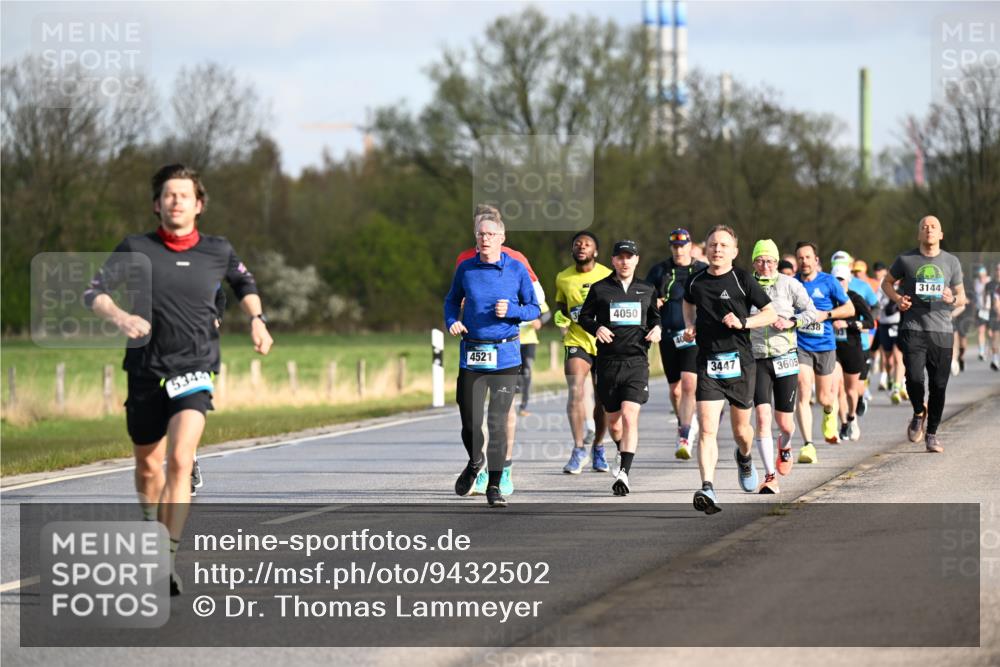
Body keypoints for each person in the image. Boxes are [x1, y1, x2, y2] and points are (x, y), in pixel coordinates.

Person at [85, 164, 273, 595]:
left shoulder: (218, 249)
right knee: (149, 465)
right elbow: (94, 292)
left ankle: (166, 560)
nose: (176, 201)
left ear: (198, 204)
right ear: (157, 204)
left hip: (195, 367)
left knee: (182, 460)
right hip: (146, 371)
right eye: (168, 195)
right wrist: (119, 315)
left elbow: (244, 283)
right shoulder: (135, 248)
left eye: (183, 195)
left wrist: (258, 320)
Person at [445, 209, 540, 507]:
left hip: (506, 354)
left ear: (502, 238)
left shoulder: (516, 270)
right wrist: (452, 321)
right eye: (480, 234)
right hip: (472, 353)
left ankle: (495, 487)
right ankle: (476, 462)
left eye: (490, 234)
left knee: (497, 422)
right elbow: (450, 300)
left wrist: (513, 312)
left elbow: (534, 308)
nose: (485, 239)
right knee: (470, 421)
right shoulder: (466, 269)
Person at [682, 226, 777, 514]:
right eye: (712, 244)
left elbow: (771, 313)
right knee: (707, 430)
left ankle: (745, 457)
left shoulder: (743, 280)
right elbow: (688, 302)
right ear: (706, 248)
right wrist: (690, 325)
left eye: (723, 245)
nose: (717, 249)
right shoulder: (695, 281)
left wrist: (744, 323)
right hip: (708, 363)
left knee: (741, 431)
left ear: (734, 252)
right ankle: (708, 486)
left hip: (740, 364)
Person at [578, 240, 661, 495]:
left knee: (629, 415)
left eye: (630, 257)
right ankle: (620, 449)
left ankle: (624, 473)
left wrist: (657, 329)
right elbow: (584, 316)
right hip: (607, 363)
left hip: (636, 361)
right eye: (620, 257)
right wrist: (596, 328)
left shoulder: (647, 289)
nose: (625, 262)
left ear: (637, 260)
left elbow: (656, 318)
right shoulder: (601, 289)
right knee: (614, 423)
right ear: (613, 261)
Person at [882, 215, 966, 453]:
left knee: (939, 386)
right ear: (919, 234)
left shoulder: (951, 262)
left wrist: (953, 299)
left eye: (933, 227)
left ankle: (932, 434)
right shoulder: (905, 260)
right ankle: (919, 411)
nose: (928, 230)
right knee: (915, 378)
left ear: (941, 235)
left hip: (941, 331)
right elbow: (886, 283)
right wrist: (898, 299)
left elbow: (962, 297)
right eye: (924, 227)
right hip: (912, 328)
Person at [749, 240, 818, 492]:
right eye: (760, 260)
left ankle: (785, 446)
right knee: (762, 416)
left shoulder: (789, 284)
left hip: (785, 357)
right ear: (753, 262)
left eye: (770, 261)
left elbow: (812, 312)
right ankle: (769, 476)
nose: (765, 266)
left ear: (777, 262)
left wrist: (791, 321)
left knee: (785, 424)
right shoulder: (747, 285)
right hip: (756, 358)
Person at [644, 228, 708, 460]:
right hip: (668, 335)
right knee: (676, 389)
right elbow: (644, 295)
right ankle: (684, 421)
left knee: (690, 383)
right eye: (675, 246)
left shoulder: (700, 270)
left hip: (691, 335)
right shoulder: (659, 270)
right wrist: (654, 301)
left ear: (690, 246)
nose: (679, 250)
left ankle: (685, 434)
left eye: (683, 246)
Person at [554, 231, 612, 474]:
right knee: (576, 391)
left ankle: (598, 446)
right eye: (578, 244)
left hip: (604, 341)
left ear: (595, 252)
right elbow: (561, 304)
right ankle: (579, 449)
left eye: (587, 244)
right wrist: (560, 316)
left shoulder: (608, 275)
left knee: (604, 400)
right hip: (576, 340)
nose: (582, 247)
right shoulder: (563, 277)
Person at [792, 242, 855, 462]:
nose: (804, 262)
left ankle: (830, 413)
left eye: (808, 257)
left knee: (824, 398)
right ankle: (808, 445)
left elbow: (850, 309)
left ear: (816, 260)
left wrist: (826, 315)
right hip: (801, 346)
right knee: (802, 389)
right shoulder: (793, 283)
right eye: (800, 258)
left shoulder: (828, 282)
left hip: (825, 346)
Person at [831, 264, 875, 442]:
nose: (839, 282)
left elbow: (870, 323)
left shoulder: (855, 298)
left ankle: (852, 418)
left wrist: (848, 324)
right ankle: (841, 424)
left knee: (850, 390)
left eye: (842, 279)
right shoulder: (828, 298)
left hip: (852, 347)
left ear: (848, 280)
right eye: (836, 279)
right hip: (832, 349)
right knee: (836, 388)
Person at [875, 263, 907, 404]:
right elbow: (877, 304)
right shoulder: (883, 287)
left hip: (898, 324)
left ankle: (897, 386)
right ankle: (889, 376)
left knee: (898, 356)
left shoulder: (904, 288)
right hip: (884, 324)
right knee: (888, 359)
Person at [972, 265, 991, 361]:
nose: (981, 277)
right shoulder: (976, 283)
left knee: (991, 333)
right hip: (980, 310)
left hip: (990, 310)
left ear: (986, 274)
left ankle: (991, 349)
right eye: (980, 275)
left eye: (983, 275)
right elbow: (975, 298)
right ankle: (981, 352)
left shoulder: (990, 281)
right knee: (981, 331)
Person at [985, 262, 1000, 371]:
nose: (998, 271)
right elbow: (989, 302)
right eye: (997, 269)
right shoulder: (990, 285)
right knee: (994, 337)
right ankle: (995, 360)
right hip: (994, 315)